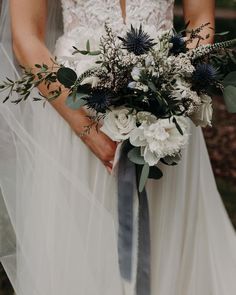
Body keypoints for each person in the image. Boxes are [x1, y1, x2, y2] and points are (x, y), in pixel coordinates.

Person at [0, 0, 235, 294]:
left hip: (164, 122)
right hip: (74, 122)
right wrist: (91, 135)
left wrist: (172, 87)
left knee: (172, 253)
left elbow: (200, 20)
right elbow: (26, 39)